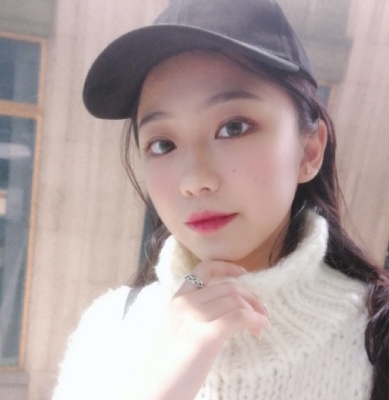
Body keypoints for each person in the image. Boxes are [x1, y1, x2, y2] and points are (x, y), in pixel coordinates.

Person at [52, 0, 389, 399]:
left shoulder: (374, 338)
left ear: (310, 151)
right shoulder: (107, 331)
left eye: (234, 127)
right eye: (163, 144)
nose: (194, 181)